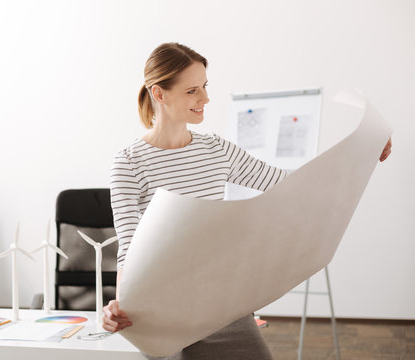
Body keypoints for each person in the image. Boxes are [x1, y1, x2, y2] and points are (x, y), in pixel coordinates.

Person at [103, 42, 392, 359]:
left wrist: (363, 152)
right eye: (192, 91)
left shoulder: (216, 149)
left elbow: (290, 186)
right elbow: (128, 249)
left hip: (220, 306)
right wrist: (120, 308)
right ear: (159, 94)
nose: (205, 98)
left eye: (205, 87)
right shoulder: (129, 163)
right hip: (161, 314)